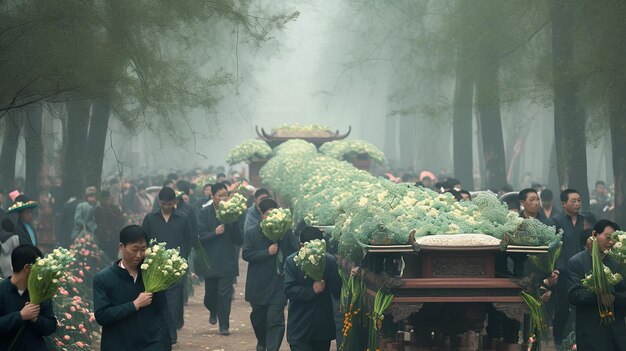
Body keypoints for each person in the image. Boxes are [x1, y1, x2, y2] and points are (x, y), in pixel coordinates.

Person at [93, 225, 170, 351]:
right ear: (121, 247)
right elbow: (102, 316)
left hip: (150, 343)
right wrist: (134, 305)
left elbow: (160, 308)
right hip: (117, 344)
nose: (139, 255)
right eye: (134, 250)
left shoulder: (151, 274)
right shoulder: (103, 278)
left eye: (143, 249)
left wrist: (161, 282)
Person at [243, 198, 299, 351]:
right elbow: (246, 254)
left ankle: (272, 348)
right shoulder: (252, 232)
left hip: (279, 282)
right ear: (261, 215)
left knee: (275, 319)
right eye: (268, 214)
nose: (271, 216)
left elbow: (294, 252)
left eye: (274, 213)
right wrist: (266, 252)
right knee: (258, 318)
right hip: (259, 282)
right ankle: (262, 341)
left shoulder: (286, 232)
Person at [142, 187, 192, 344]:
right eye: (163, 203)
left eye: (169, 203)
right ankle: (164, 333)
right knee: (158, 302)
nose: (166, 206)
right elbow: (143, 239)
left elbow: (188, 241)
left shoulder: (183, 218)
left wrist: (182, 259)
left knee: (173, 302)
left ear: (174, 202)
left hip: (175, 267)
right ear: (159, 202)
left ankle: (170, 334)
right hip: (155, 268)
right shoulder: (150, 218)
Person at [568, 219, 626, 350]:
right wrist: (598, 296)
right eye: (608, 237)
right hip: (590, 329)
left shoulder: (620, 262)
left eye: (614, 238)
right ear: (594, 234)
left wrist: (613, 297)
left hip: (617, 330)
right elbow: (574, 295)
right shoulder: (577, 262)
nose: (611, 242)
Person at [284, 226, 341, 351]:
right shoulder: (292, 261)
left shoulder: (329, 261)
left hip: (320, 327)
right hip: (300, 325)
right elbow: (289, 290)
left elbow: (337, 291)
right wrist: (312, 290)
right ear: (301, 245)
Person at [197, 182, 243, 335]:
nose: (223, 198)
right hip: (210, 261)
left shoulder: (233, 213)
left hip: (227, 261)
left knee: (225, 295)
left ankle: (224, 325)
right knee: (210, 295)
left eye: (226, 195)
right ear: (212, 196)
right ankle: (212, 309)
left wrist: (234, 221)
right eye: (220, 195)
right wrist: (214, 233)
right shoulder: (204, 213)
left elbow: (238, 240)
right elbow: (200, 237)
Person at [0, 244, 56, 350]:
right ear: (27, 268)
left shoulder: (41, 293)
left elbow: (51, 327)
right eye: (39, 267)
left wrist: (36, 319)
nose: (42, 272)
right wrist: (20, 316)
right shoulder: (2, 291)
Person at [553, 188, 586, 346]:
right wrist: (559, 267)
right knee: (563, 309)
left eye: (579, 200)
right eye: (573, 201)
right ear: (563, 203)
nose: (577, 204)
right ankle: (557, 341)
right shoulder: (556, 221)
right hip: (563, 271)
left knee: (580, 307)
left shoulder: (585, 221)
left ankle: (579, 340)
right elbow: (556, 248)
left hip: (583, 271)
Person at [94, 190, 123, 261]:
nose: (110, 200)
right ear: (104, 199)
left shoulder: (108, 207)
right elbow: (103, 221)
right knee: (109, 253)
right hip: (106, 235)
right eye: (108, 199)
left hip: (111, 234)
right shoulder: (100, 208)